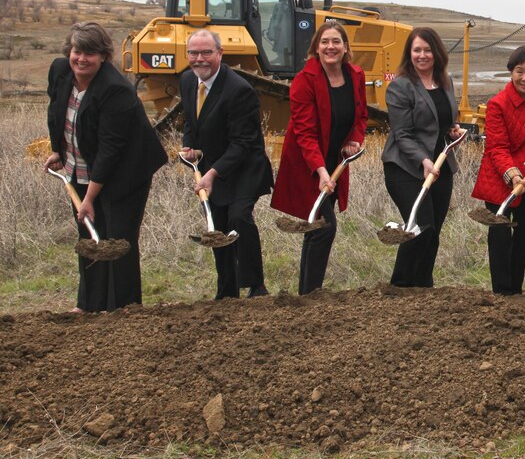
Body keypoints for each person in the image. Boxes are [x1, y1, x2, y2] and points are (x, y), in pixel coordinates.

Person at [45, 22, 167, 312]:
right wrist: (57, 150)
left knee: (117, 239)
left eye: (91, 53)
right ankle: (88, 305)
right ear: (69, 52)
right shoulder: (60, 71)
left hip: (127, 172)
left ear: (103, 56)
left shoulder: (115, 90)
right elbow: (57, 111)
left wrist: (88, 199)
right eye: (77, 51)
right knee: (89, 235)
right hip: (81, 167)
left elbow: (111, 150)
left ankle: (124, 308)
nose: (82, 59)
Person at [271, 21, 368, 294]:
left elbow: (360, 116)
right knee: (324, 227)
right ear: (316, 47)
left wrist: (354, 140)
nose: (330, 47)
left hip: (335, 163)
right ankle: (311, 295)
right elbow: (305, 132)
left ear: (346, 47)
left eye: (336, 41)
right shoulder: (305, 80)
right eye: (324, 42)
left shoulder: (355, 75)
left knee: (316, 229)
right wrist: (320, 170)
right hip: (306, 165)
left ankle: (306, 294)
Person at [180, 29, 274, 299]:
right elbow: (190, 119)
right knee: (217, 225)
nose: (200, 59)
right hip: (213, 166)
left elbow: (243, 144)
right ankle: (227, 291)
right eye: (194, 53)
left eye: (206, 53)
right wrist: (190, 147)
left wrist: (211, 173)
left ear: (220, 54)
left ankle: (256, 287)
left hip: (245, 167)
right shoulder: (188, 80)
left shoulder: (239, 90)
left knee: (238, 217)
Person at [471, 45, 525, 295]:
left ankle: (515, 294)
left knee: (523, 240)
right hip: (500, 183)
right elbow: (496, 148)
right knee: (500, 242)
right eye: (520, 71)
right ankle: (502, 295)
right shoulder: (497, 104)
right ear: (511, 72)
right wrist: (513, 175)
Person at [383, 27, 464, 287]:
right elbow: (402, 134)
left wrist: (453, 130)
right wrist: (423, 160)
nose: (422, 55)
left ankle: (423, 287)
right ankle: (400, 287)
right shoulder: (400, 86)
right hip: (406, 168)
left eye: (427, 49)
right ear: (409, 53)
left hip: (441, 166)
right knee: (420, 227)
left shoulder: (446, 81)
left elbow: (445, 120)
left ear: (437, 52)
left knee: (433, 232)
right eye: (417, 50)